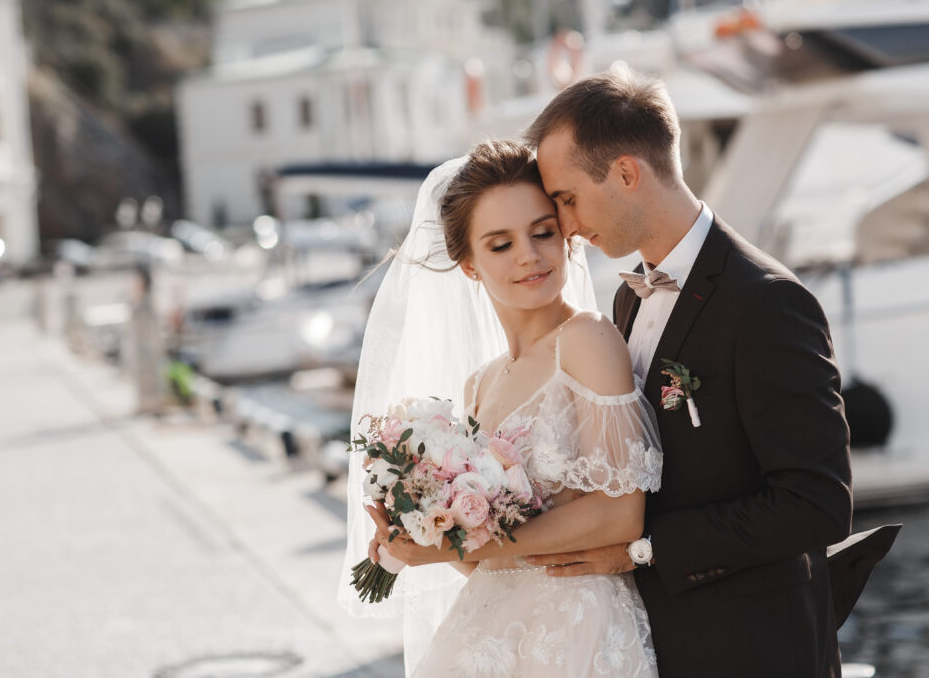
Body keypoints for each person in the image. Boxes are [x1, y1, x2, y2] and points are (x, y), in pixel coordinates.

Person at [521, 68, 854, 677]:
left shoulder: (767, 301)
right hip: (655, 646)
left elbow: (817, 504)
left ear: (626, 173)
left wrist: (644, 550)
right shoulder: (626, 301)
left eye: (567, 198)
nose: (565, 225)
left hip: (755, 649)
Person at [344, 140, 664, 677]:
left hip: (578, 630)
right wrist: (429, 527)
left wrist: (456, 545)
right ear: (469, 265)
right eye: (500, 244)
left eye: (543, 232)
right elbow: (479, 563)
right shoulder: (478, 386)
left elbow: (621, 513)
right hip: (491, 636)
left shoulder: (586, 339)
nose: (529, 256)